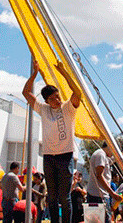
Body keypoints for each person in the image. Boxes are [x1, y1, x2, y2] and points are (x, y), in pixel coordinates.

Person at [23, 61, 82, 223]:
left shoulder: (68, 108)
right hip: (49, 157)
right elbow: (25, 92)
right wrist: (34, 74)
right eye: (52, 98)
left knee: (65, 196)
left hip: (65, 156)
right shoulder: (43, 109)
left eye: (57, 96)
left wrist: (63, 72)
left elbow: (78, 92)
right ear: (47, 101)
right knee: (52, 196)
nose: (57, 99)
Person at [86, 142, 123, 223]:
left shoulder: (102, 155)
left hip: (97, 195)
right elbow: (99, 176)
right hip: (98, 197)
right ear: (111, 146)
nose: (113, 154)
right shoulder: (101, 155)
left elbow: (120, 157)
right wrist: (113, 194)